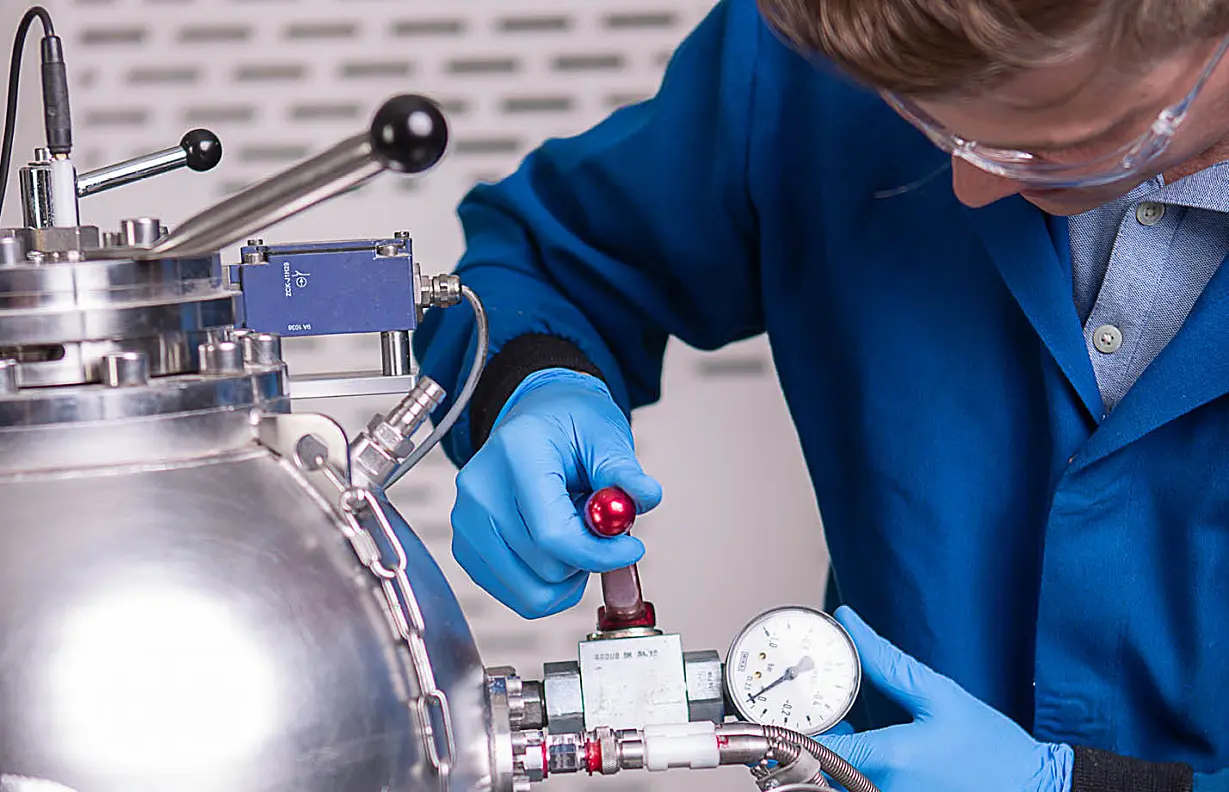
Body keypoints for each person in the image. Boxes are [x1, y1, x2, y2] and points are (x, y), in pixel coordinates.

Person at [413, 0, 1229, 790]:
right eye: (927, 122)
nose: (969, 187)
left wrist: (1076, 787)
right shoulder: (830, 46)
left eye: (1046, 150)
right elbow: (547, 259)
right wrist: (530, 382)